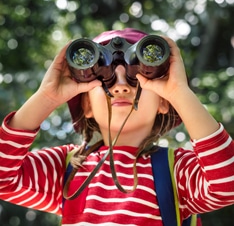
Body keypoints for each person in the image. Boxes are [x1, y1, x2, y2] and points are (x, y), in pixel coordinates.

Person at [0, 28, 233, 226]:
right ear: (86, 104)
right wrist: (46, 98)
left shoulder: (177, 170)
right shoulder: (67, 167)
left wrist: (179, 93)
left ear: (163, 101)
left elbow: (228, 185)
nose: (121, 86)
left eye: (137, 76)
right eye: (105, 78)